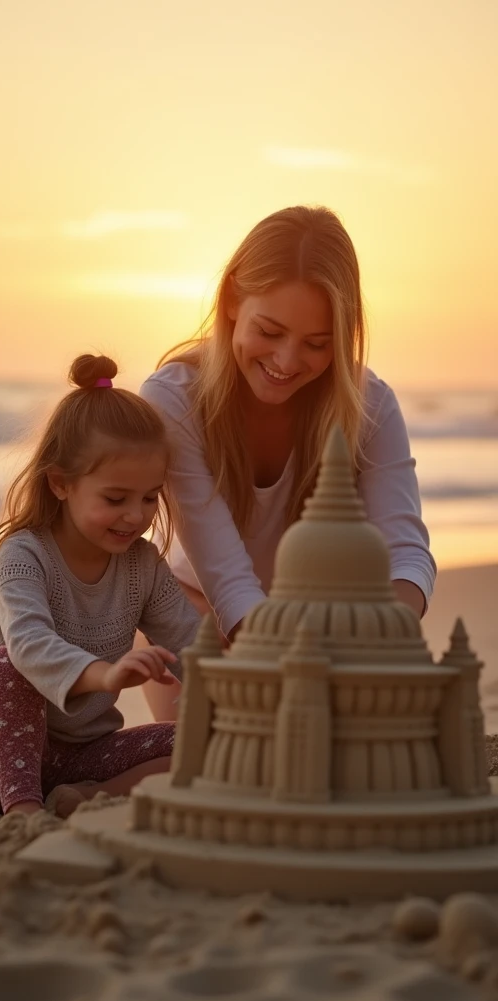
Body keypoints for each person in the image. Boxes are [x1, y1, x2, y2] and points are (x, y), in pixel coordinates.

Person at [140, 205, 436, 721]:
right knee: (214, 758)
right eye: (270, 332)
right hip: (198, 616)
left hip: (326, 626)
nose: (286, 361)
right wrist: (297, 674)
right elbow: (227, 580)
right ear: (233, 298)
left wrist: (386, 638)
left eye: (316, 344)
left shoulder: (370, 405)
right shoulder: (173, 400)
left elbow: (405, 553)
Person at [0, 354, 200, 818]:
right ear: (60, 484)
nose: (136, 515)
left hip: (80, 757)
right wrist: (105, 674)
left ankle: (84, 800)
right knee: (7, 665)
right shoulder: (24, 555)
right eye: (115, 498)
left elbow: (194, 643)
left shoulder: (143, 565)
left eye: (150, 497)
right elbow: (30, 647)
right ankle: (23, 811)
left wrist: (253, 691)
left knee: (197, 738)